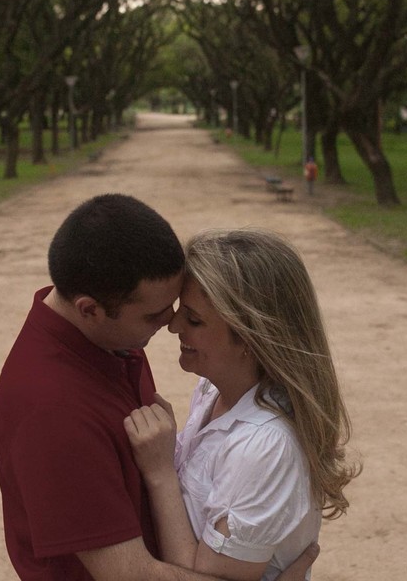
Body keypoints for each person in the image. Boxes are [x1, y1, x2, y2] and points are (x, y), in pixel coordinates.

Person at [0, 195, 319, 581]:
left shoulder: (112, 338)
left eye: (181, 311)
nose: (170, 324)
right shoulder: (53, 409)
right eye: (154, 315)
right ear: (90, 309)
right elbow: (131, 575)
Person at [124, 228, 357, 581]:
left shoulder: (264, 445)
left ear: (250, 336)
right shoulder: (213, 390)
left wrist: (160, 473)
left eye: (194, 319)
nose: (174, 326)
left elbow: (204, 578)